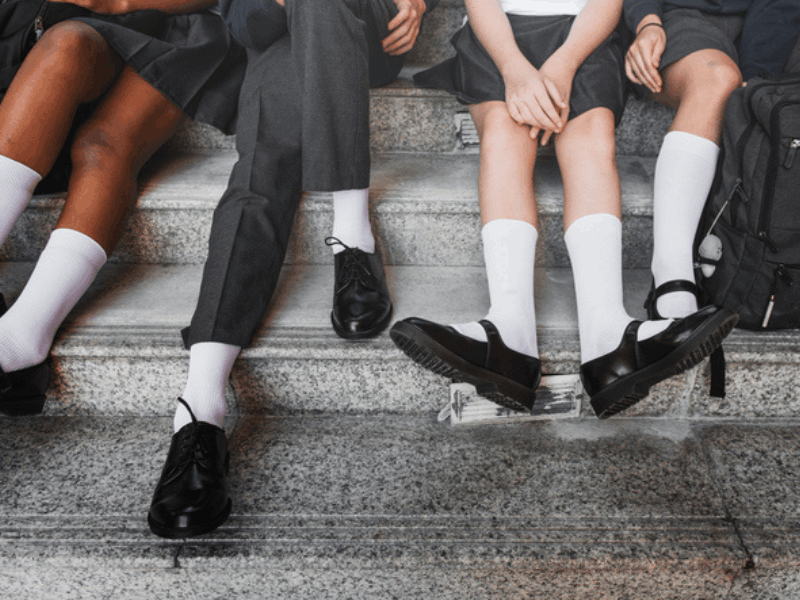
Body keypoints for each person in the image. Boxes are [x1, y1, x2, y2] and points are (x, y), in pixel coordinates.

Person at [147, 0, 439, 539]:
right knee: (260, 168)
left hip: (361, 27)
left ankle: (199, 405)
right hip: (265, 28)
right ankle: (199, 410)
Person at [389, 0, 738, 418]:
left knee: (591, 135)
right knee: (504, 130)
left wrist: (564, 63)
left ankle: (608, 338)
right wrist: (514, 69)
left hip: (583, 34)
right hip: (498, 38)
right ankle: (510, 333)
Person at [0, 0, 244, 416]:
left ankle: (21, 340)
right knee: (66, 48)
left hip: (171, 26)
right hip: (42, 30)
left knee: (101, 140)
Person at [623, 0, 800, 322]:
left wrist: (756, 76)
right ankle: (671, 273)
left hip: (778, 18)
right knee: (717, 79)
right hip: (676, 16)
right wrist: (647, 23)